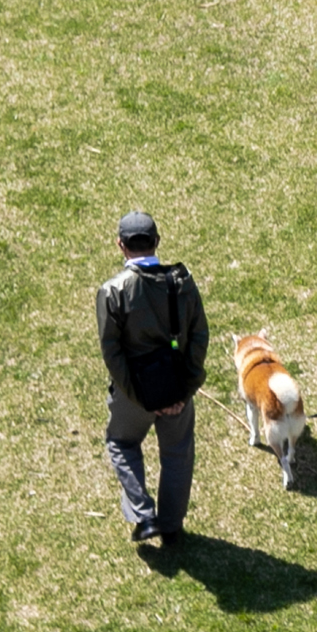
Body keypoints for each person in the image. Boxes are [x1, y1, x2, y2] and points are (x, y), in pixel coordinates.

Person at [95, 210, 209, 550]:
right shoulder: (182, 281)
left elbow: (112, 354)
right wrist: (184, 391)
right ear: (157, 242)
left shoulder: (112, 291)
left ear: (120, 246)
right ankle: (171, 526)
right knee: (177, 452)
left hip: (134, 396)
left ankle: (144, 515)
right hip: (177, 388)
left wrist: (143, 398)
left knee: (121, 443)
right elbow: (199, 336)